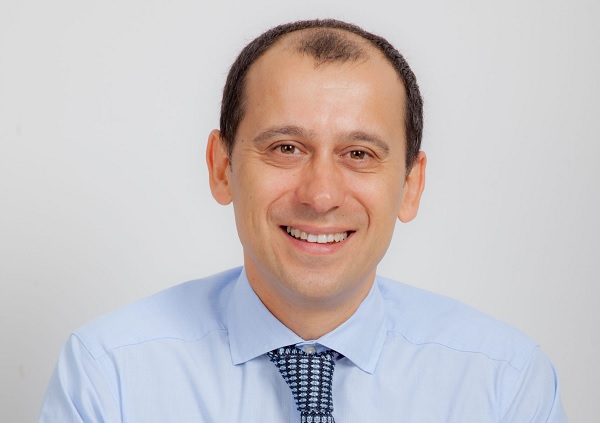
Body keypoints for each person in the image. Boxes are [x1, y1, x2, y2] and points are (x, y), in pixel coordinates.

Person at [39, 19, 567, 422]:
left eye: (359, 154)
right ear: (222, 168)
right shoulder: (110, 376)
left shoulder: (504, 384)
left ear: (411, 185)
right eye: (286, 148)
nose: (321, 195)